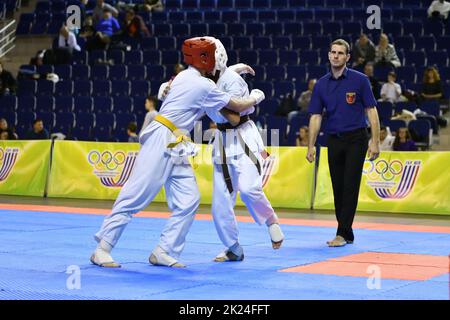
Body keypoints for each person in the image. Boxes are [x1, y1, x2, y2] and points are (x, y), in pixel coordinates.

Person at [91, 37, 266, 268]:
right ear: (206, 59)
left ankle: (164, 250)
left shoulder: (186, 75)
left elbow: (214, 80)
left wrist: (234, 68)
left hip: (177, 141)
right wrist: (256, 96)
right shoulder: (203, 86)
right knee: (137, 194)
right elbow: (238, 106)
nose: (217, 63)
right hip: (162, 138)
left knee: (188, 199)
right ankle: (102, 248)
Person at [201, 38, 284, 262]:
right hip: (221, 140)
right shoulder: (204, 79)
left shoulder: (231, 80)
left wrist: (248, 97)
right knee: (220, 203)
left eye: (206, 59)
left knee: (248, 189)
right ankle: (233, 247)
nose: (202, 64)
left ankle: (270, 219)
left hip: (243, 137)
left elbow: (236, 118)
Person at [306, 39, 380, 247]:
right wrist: (311, 146)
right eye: (333, 52)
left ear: (348, 57)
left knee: (350, 186)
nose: (336, 56)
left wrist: (375, 141)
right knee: (338, 187)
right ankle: (347, 232)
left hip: (356, 139)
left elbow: (371, 111)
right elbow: (315, 116)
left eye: (340, 53)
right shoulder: (321, 84)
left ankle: (342, 232)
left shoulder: (360, 80)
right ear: (329, 55)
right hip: (334, 140)